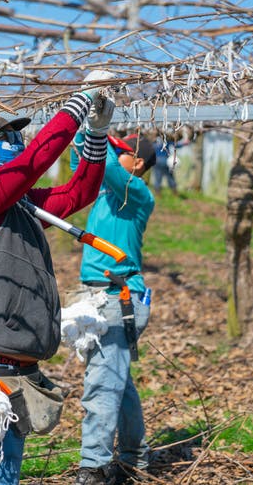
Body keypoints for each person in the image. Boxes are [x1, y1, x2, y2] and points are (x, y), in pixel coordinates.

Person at [0, 71, 115, 484]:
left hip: (10, 369)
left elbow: (77, 195)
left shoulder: (17, 205)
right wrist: (80, 101)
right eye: (2, 136)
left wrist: (97, 133)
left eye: (15, 136)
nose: (12, 143)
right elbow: (32, 163)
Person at [69, 131, 156, 485]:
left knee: (103, 385)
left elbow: (101, 160)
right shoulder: (107, 189)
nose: (112, 154)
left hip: (118, 300)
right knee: (118, 381)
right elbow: (82, 162)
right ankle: (134, 459)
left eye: (121, 152)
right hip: (101, 297)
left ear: (137, 164)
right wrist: (81, 126)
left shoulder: (136, 193)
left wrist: (98, 127)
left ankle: (94, 468)